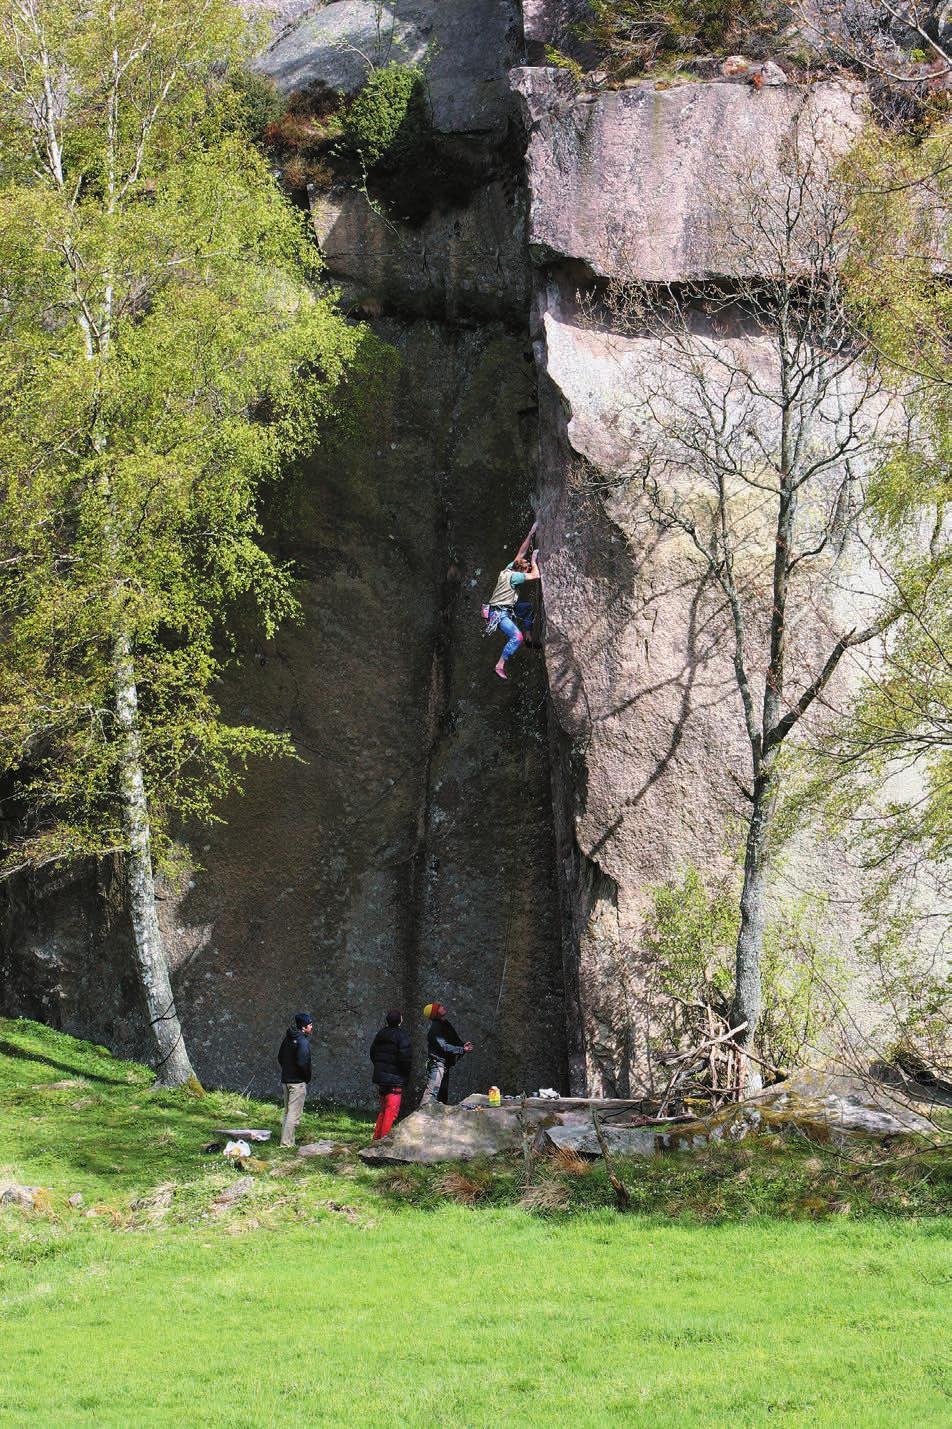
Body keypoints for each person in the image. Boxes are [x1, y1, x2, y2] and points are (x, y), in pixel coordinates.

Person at [483, 521, 542, 680]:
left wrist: (531, 533)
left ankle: (529, 635)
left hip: (508, 607)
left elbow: (521, 553)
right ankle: (500, 665)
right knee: (517, 637)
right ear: (520, 573)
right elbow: (536, 575)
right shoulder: (515, 576)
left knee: (529, 607)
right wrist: (534, 562)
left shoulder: (507, 569)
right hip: (499, 614)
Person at [369, 1008, 412, 1140]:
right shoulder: (402, 1036)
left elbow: (373, 1053)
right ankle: (383, 1141)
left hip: (382, 1079)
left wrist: (380, 1067)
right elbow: (405, 1058)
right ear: (400, 1021)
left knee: (383, 1110)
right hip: (395, 1079)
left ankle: (376, 1139)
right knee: (391, 1112)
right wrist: (405, 1074)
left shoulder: (381, 1034)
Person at [421, 1002, 473, 1106]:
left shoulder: (445, 1024)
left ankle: (437, 1118)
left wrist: (463, 1045)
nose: (442, 1006)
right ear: (435, 1013)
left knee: (442, 1094)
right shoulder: (435, 1029)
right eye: (439, 1007)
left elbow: (454, 1040)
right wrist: (462, 1049)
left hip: (444, 1064)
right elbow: (444, 1046)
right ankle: (421, 1117)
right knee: (432, 1093)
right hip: (437, 1064)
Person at [277, 1012, 313, 1148]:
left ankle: (288, 1141)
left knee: (287, 1112)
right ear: (303, 1027)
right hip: (297, 1082)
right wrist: (306, 1077)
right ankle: (286, 1144)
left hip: (285, 1080)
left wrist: (288, 1070)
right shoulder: (303, 1041)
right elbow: (303, 1062)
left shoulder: (287, 1039)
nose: (311, 1027)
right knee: (294, 1114)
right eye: (310, 1025)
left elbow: (280, 1057)